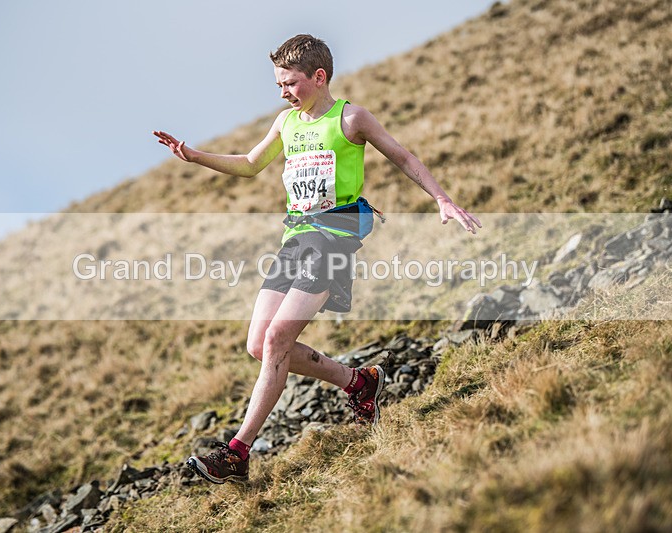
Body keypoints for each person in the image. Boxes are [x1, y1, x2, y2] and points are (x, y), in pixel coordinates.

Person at [153, 34, 481, 484]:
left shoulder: (351, 118)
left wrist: (442, 199)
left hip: (334, 237)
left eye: (289, 83)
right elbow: (250, 164)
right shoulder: (286, 123)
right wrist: (194, 157)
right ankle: (358, 382)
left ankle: (236, 453)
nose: (283, 92)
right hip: (296, 239)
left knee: (276, 343)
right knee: (259, 345)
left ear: (318, 77)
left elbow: (403, 156)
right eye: (279, 85)